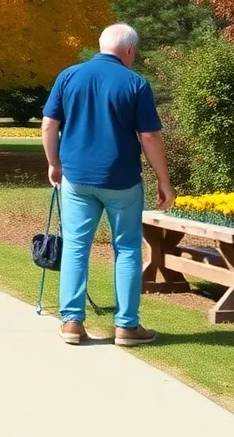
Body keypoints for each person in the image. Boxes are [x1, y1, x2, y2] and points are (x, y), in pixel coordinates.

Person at [41, 23, 175, 348]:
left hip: (77, 178)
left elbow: (48, 125)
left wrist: (54, 164)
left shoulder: (69, 76)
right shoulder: (136, 83)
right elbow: (150, 136)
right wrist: (164, 180)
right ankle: (127, 327)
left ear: (101, 45)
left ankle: (72, 322)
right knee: (127, 249)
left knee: (75, 246)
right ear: (129, 51)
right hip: (122, 179)